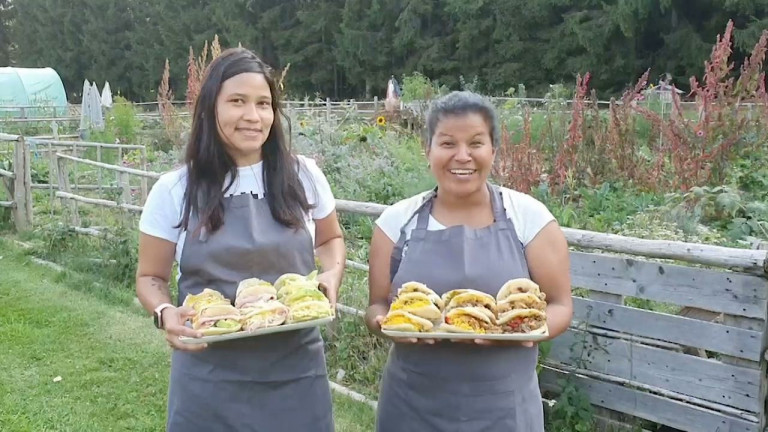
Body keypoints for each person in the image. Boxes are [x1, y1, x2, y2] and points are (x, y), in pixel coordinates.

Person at [135, 47, 345, 431]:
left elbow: (330, 239)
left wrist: (330, 275)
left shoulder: (305, 176)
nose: (253, 116)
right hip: (208, 378)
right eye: (237, 101)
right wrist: (165, 314)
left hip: (296, 374)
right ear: (209, 108)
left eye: (263, 103)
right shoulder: (174, 189)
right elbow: (150, 277)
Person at [365, 91, 573, 431]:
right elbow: (376, 306)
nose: (462, 156)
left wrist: (522, 329)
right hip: (411, 407)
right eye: (447, 143)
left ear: (493, 150)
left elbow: (561, 305)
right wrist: (386, 325)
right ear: (427, 150)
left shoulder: (529, 218)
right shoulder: (395, 222)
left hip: (505, 409)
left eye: (476, 143)